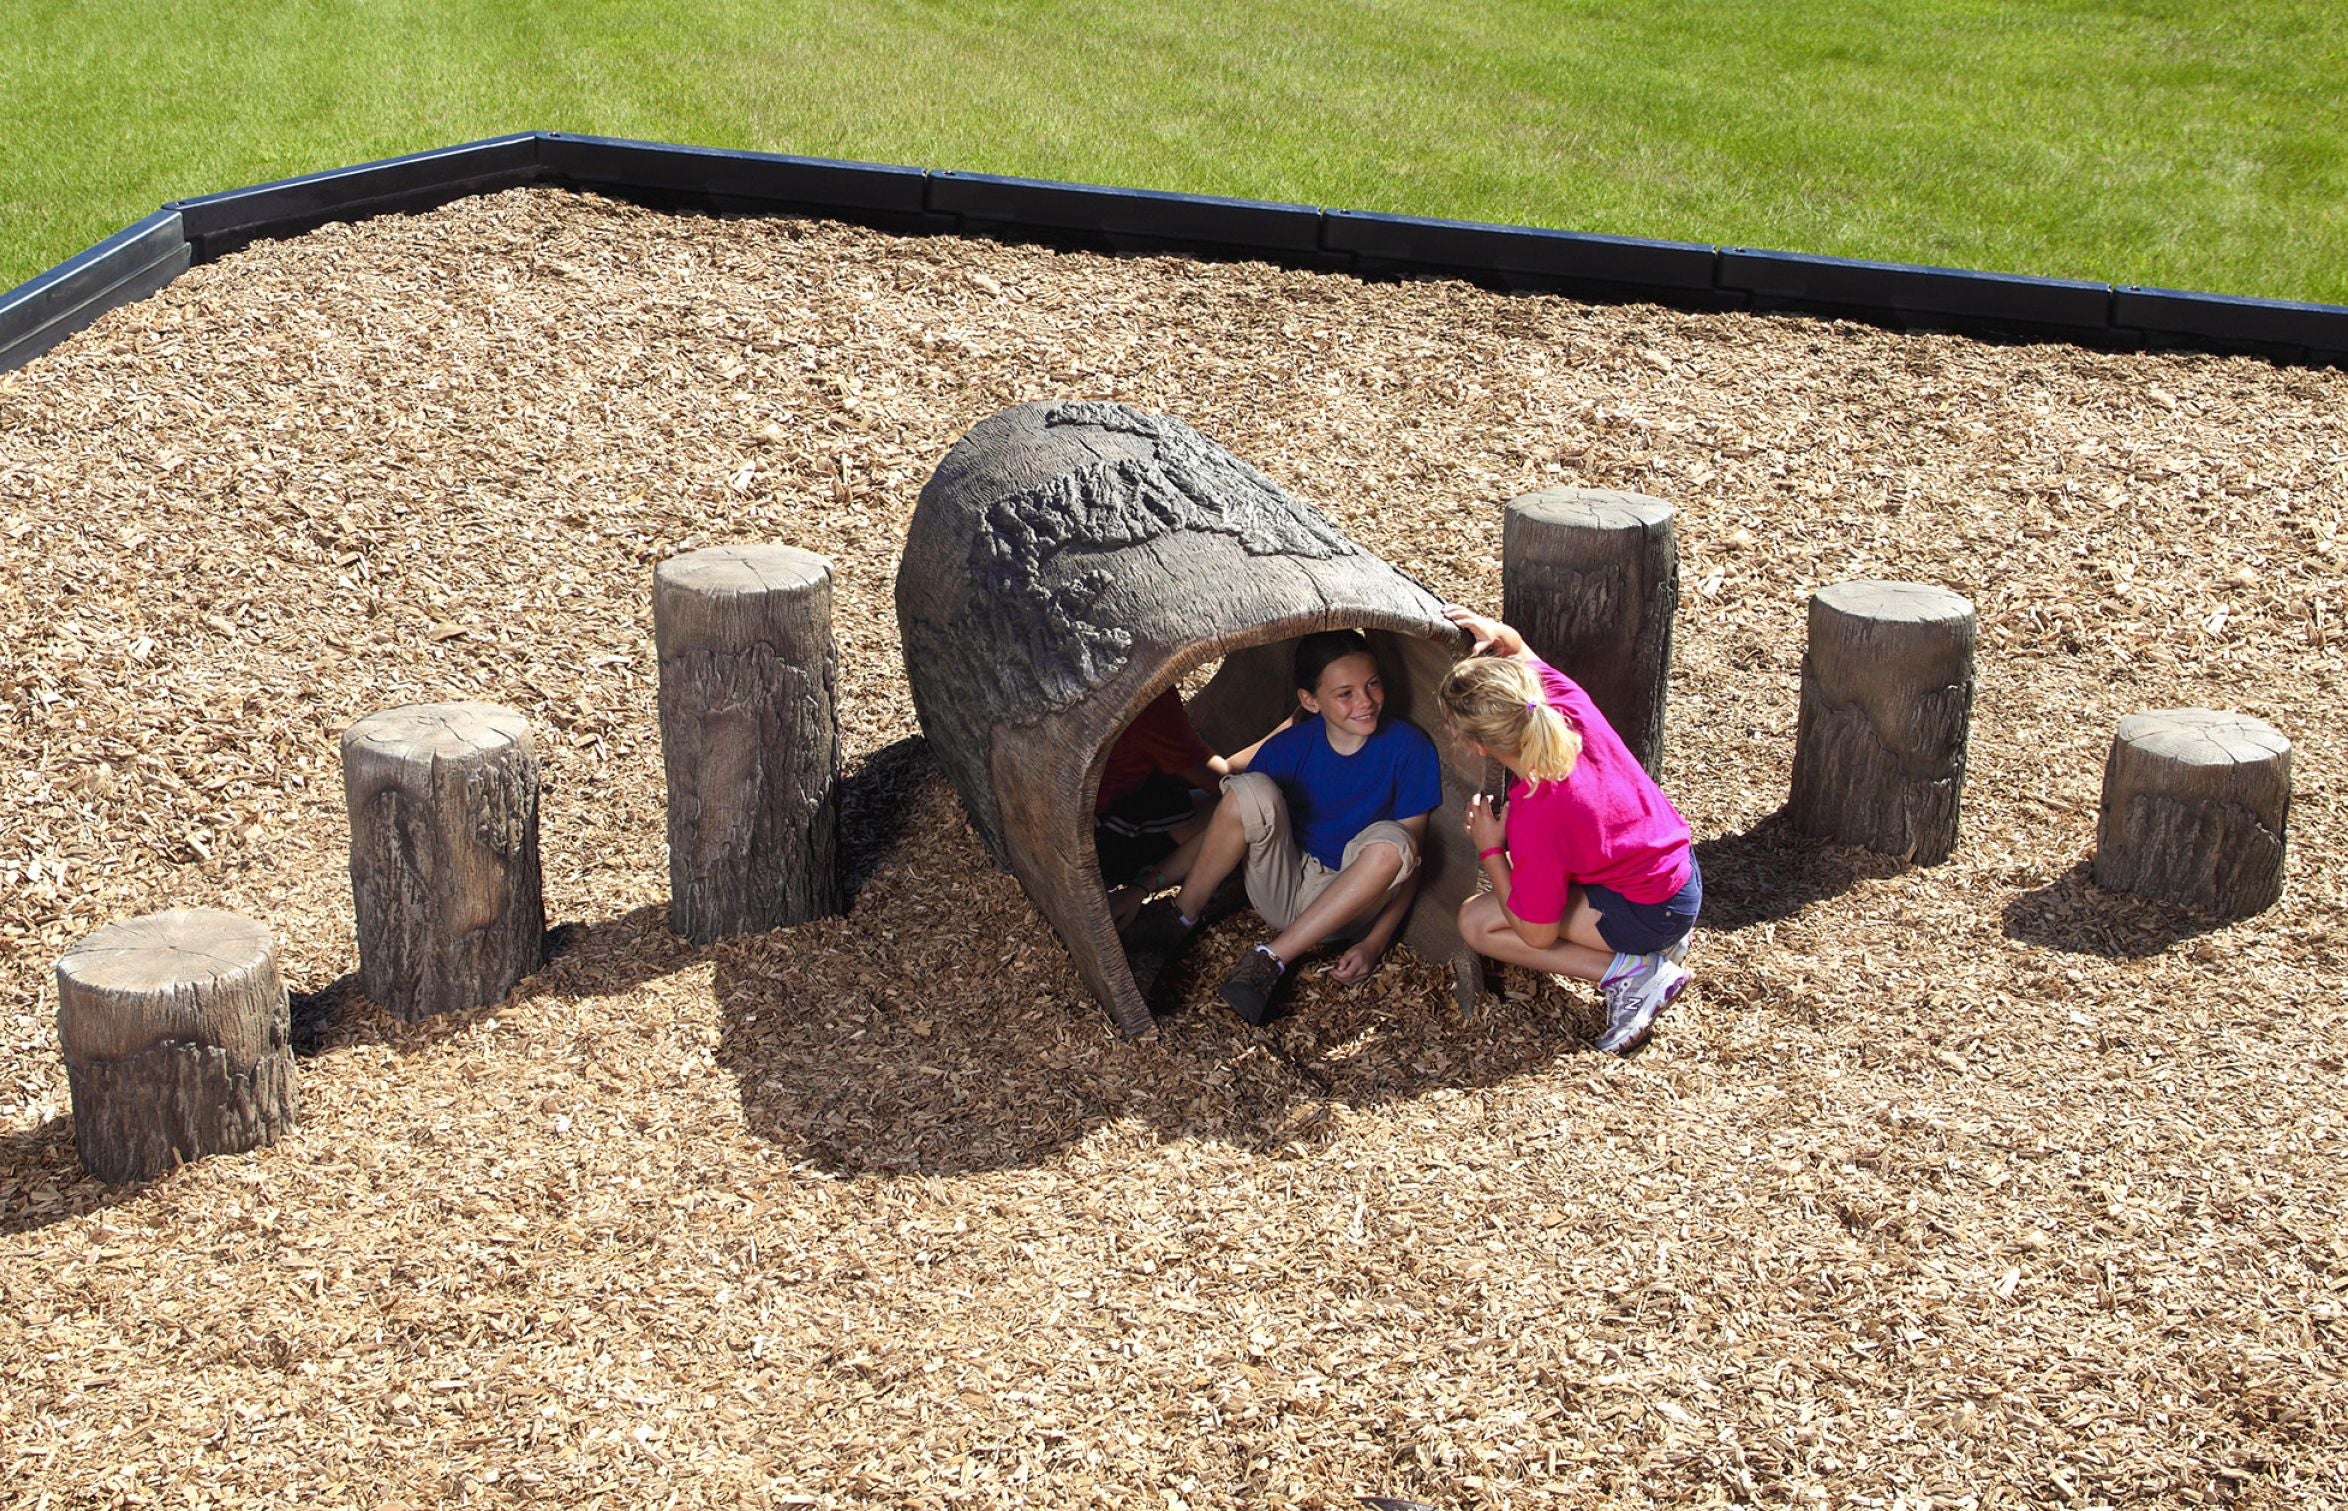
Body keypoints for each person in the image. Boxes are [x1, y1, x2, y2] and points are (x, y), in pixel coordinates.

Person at [1124, 629, 1442, 1025]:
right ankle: (1179, 916)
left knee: (1398, 840)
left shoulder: (1409, 748)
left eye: (1372, 684)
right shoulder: (1288, 748)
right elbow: (1223, 828)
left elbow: (1412, 860)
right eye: (1345, 693)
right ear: (1310, 700)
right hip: (1280, 883)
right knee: (1247, 791)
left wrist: (1374, 943)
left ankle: (1271, 960)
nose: (1365, 701)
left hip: (1349, 903)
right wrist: (1144, 884)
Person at [1436, 606, 1699, 1055]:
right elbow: (1520, 650)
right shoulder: (1562, 702)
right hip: (1679, 873)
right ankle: (1657, 941)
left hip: (1652, 912)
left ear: (1477, 745)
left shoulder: (1537, 815)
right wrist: (1499, 633)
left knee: (1477, 923)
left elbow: (1535, 934)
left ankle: (1633, 970)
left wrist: (1490, 850)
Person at [1095, 687, 1226, 926]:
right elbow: (1224, 783)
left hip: (1107, 802)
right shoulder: (1145, 700)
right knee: (1232, 808)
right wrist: (1291, 728)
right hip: (1103, 834)